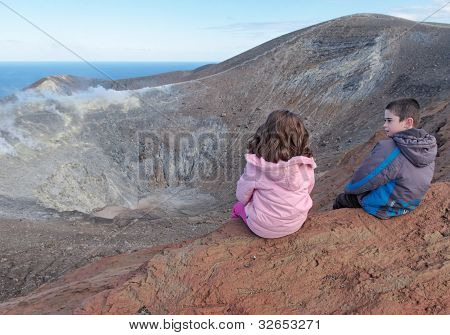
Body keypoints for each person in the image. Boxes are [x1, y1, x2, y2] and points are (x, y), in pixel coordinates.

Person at [333, 98, 437, 219]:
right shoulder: (427, 146)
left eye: (389, 120)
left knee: (342, 199)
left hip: (387, 207)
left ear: (408, 122)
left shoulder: (389, 147)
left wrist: (349, 190)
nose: (384, 125)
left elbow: (365, 178)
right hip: (410, 204)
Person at [231, 109, 316, 238]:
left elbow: (242, 195)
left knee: (237, 207)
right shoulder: (304, 163)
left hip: (262, 227)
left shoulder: (256, 165)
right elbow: (308, 188)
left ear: (266, 135)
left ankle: (234, 233)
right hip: (296, 222)